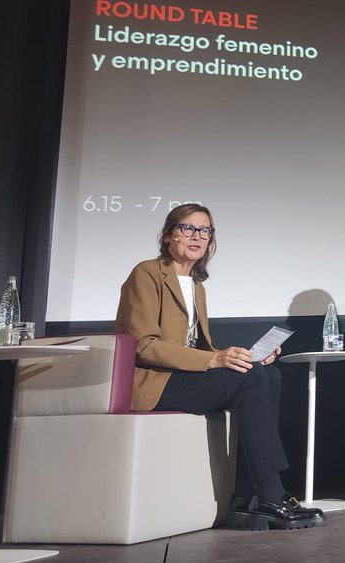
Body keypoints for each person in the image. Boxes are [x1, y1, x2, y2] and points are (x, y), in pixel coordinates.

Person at [115, 203, 326, 530]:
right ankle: (270, 493)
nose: (196, 237)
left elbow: (198, 346)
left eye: (205, 231)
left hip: (183, 375)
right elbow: (144, 345)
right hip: (154, 381)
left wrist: (247, 356)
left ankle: (247, 497)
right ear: (169, 235)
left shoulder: (196, 284)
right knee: (251, 378)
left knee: (267, 374)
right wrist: (215, 359)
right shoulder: (146, 273)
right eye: (187, 228)